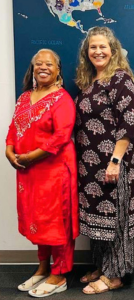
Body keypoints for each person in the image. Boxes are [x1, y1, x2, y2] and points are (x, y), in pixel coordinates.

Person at [73, 26, 134, 295]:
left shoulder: (120, 78)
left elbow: (128, 123)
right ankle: (102, 266)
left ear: (112, 50)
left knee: (115, 219)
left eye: (103, 46)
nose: (98, 51)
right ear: (86, 52)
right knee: (98, 220)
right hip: (90, 165)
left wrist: (115, 161)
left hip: (115, 162)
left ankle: (116, 274)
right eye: (93, 47)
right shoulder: (88, 80)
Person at [6, 49, 77, 297]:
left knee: (55, 222)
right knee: (37, 219)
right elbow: (14, 127)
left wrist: (30, 156)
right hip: (28, 173)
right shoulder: (25, 97)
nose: (43, 67)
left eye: (49, 64)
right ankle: (43, 267)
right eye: (38, 63)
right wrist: (9, 149)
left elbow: (61, 137)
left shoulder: (62, 99)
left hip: (54, 171)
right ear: (33, 68)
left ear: (58, 70)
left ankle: (59, 275)